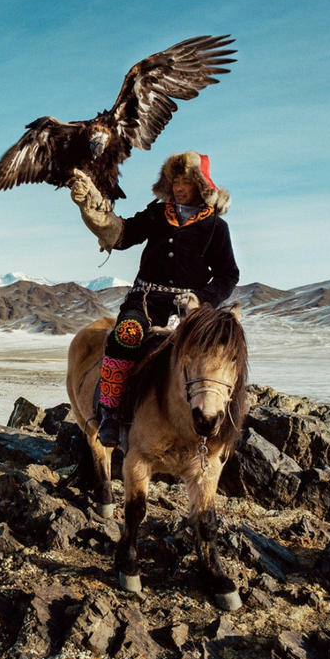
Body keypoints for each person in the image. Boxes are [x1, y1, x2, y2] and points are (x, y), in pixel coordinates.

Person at [70, 151, 240, 447]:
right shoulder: (157, 214)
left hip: (189, 308)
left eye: (185, 180)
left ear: (200, 185)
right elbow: (122, 235)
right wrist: (92, 207)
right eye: (173, 180)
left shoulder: (216, 227)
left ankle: (212, 422)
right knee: (125, 335)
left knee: (211, 355)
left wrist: (201, 299)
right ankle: (110, 414)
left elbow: (228, 275)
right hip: (144, 300)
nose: (177, 187)